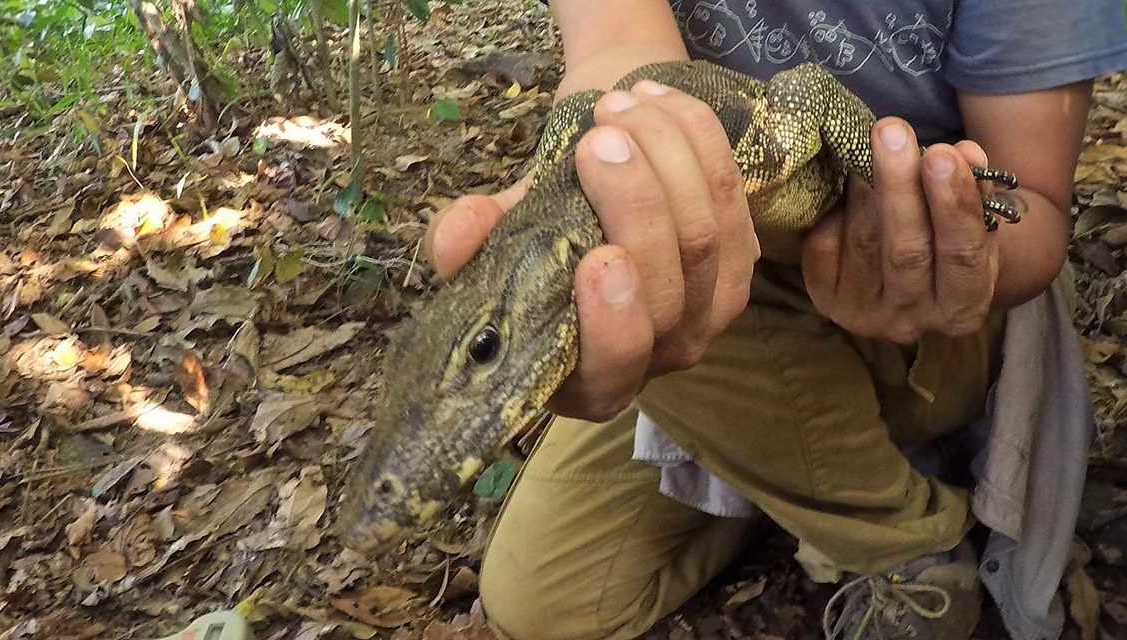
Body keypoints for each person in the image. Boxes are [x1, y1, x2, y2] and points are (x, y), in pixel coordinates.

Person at [424, 2, 1127, 638]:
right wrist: (603, 163)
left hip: (941, 310)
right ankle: (789, 474)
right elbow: (619, 63)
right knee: (546, 604)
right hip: (731, 297)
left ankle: (907, 544)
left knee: (647, 267)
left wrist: (930, 227)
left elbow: (1028, 203)